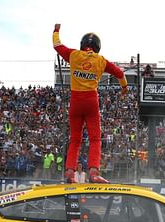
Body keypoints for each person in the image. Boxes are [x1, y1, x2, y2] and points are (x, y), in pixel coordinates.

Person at [53, 23, 128, 183]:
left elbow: (57, 45)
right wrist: (124, 88)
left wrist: (56, 30)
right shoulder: (100, 60)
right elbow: (120, 73)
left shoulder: (73, 55)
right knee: (95, 139)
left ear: (83, 45)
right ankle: (93, 173)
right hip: (91, 101)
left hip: (75, 101)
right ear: (97, 47)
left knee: (75, 140)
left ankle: (69, 173)